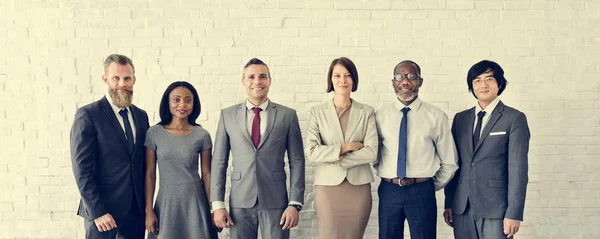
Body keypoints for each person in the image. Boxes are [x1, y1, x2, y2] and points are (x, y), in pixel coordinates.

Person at [210, 58, 305, 239]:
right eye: (251, 77)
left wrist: (295, 203)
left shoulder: (288, 115)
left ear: (269, 80)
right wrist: (218, 204)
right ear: (243, 81)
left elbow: (297, 161)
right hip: (240, 200)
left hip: (276, 200)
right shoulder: (227, 115)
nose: (257, 81)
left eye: (262, 76)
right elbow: (219, 161)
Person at [443, 60, 530, 239]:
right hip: (462, 207)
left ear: (499, 83)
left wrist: (514, 213)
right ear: (471, 86)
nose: (483, 85)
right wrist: (449, 203)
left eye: (489, 79)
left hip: (496, 209)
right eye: (477, 80)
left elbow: (518, 169)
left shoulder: (514, 118)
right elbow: (454, 163)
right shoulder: (461, 119)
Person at [375, 60, 458, 239]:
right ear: (393, 82)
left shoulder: (436, 116)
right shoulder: (380, 116)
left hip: (422, 191)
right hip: (389, 191)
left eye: (412, 77)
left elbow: (450, 162)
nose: (405, 81)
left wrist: (427, 185)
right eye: (400, 77)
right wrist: (389, 175)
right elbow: (374, 156)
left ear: (420, 82)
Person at [70, 54, 149, 239]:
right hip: (103, 214)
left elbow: (142, 164)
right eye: (116, 78)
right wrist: (97, 211)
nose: (122, 83)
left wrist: (146, 208)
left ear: (134, 80)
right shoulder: (88, 115)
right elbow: (82, 170)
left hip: (135, 213)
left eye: (127, 78)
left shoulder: (141, 116)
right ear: (105, 79)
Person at [304, 57, 377, 239]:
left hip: (358, 189)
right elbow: (312, 152)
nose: (342, 80)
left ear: (354, 80)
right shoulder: (317, 112)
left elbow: (372, 151)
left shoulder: (366, 112)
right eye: (337, 75)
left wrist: (334, 158)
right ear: (330, 79)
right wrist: (347, 147)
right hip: (327, 189)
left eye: (347, 75)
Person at [144, 81, 218, 239]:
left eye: (188, 100)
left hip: (195, 201)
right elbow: (150, 174)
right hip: (166, 202)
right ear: (168, 102)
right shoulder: (154, 133)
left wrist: (214, 209)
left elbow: (207, 174)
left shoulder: (202, 135)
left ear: (194, 104)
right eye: (176, 99)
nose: (182, 104)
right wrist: (148, 211)